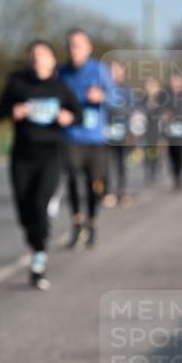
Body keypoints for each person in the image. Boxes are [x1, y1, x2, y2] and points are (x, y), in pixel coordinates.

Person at [0, 41, 80, 289]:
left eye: (42, 55)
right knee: (24, 212)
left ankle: (38, 261)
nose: (37, 60)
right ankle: (36, 238)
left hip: (50, 154)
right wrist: (13, 110)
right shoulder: (18, 84)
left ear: (52, 60)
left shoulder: (60, 86)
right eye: (33, 56)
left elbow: (78, 114)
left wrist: (69, 116)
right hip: (22, 155)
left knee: (40, 205)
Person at [59, 29, 114, 248]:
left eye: (79, 45)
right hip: (71, 136)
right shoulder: (61, 72)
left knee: (95, 184)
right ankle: (76, 222)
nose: (75, 50)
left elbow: (117, 99)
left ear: (88, 48)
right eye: (71, 45)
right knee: (72, 178)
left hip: (95, 137)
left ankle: (92, 222)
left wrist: (102, 97)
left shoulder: (99, 70)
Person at [102, 60, 133, 209]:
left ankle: (123, 192)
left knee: (121, 163)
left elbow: (129, 110)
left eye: (117, 70)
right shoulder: (104, 88)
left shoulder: (126, 90)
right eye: (111, 70)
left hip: (122, 130)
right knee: (106, 163)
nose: (114, 73)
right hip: (106, 131)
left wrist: (113, 107)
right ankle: (108, 193)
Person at [162, 72, 182, 190]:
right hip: (170, 130)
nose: (175, 84)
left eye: (177, 81)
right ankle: (175, 177)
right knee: (171, 154)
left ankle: (180, 175)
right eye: (173, 81)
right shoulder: (165, 95)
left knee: (181, 154)